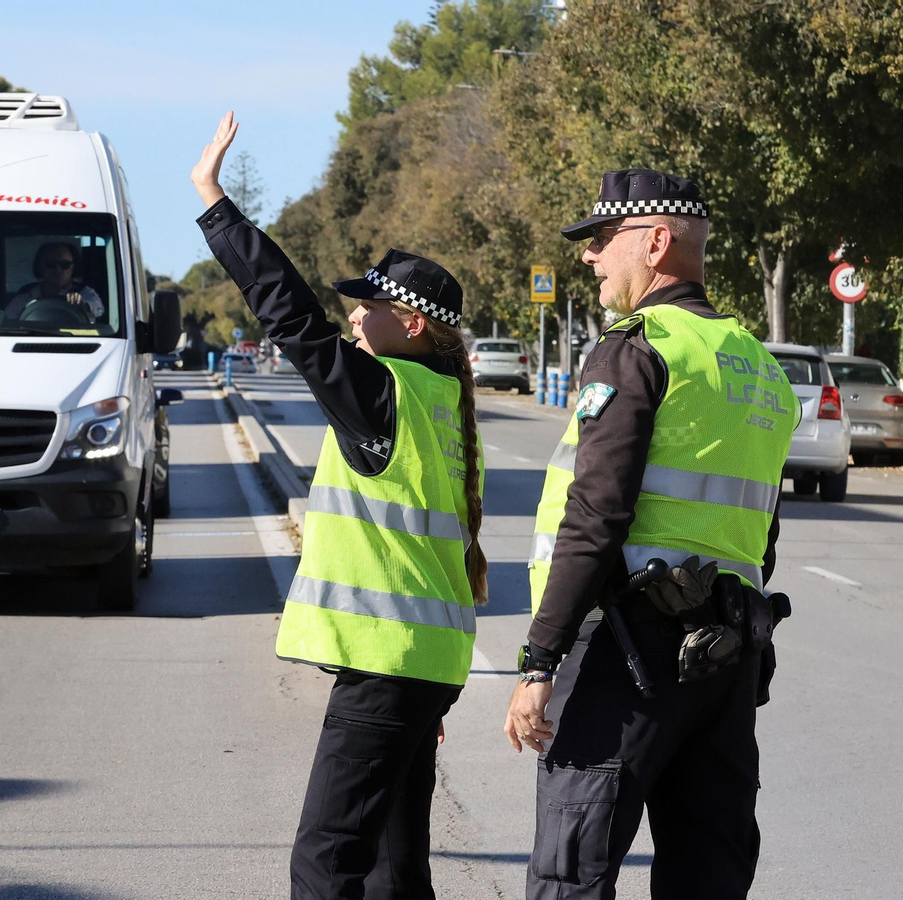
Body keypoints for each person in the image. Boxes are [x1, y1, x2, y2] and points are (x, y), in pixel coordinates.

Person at [192, 112, 488, 900]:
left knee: (326, 862)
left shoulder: (383, 392)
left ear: (412, 323)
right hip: (426, 667)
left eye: (369, 307)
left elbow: (292, 319)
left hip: (386, 667)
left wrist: (216, 205)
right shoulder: (445, 404)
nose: (355, 316)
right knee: (395, 866)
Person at [503, 169, 799, 899]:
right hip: (724, 655)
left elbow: (596, 513)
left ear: (656, 242)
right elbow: (759, 536)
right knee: (709, 872)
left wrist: (539, 658)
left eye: (604, 240)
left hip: (626, 656)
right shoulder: (759, 366)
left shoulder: (638, 347)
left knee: (573, 869)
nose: (590, 258)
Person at [3, 242, 104, 323]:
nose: (58, 270)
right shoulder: (25, 297)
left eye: (64, 265)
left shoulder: (85, 293)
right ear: (40, 267)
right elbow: (4, 323)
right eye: (51, 264)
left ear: (73, 267)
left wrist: (82, 305)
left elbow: (98, 310)